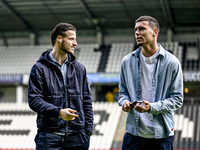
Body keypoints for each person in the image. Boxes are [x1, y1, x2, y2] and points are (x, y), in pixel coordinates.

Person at [118, 16, 183, 150]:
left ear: (155, 32)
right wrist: (124, 101)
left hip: (162, 135)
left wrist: (151, 108)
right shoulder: (126, 61)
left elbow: (177, 99)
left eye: (142, 29)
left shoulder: (172, 62)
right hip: (133, 133)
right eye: (136, 29)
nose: (137, 32)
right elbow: (122, 92)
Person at [28, 23, 93, 150]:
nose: (75, 43)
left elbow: (87, 100)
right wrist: (58, 112)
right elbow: (34, 100)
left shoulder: (80, 68)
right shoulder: (39, 68)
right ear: (59, 39)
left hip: (78, 139)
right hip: (49, 138)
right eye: (71, 39)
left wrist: (88, 131)